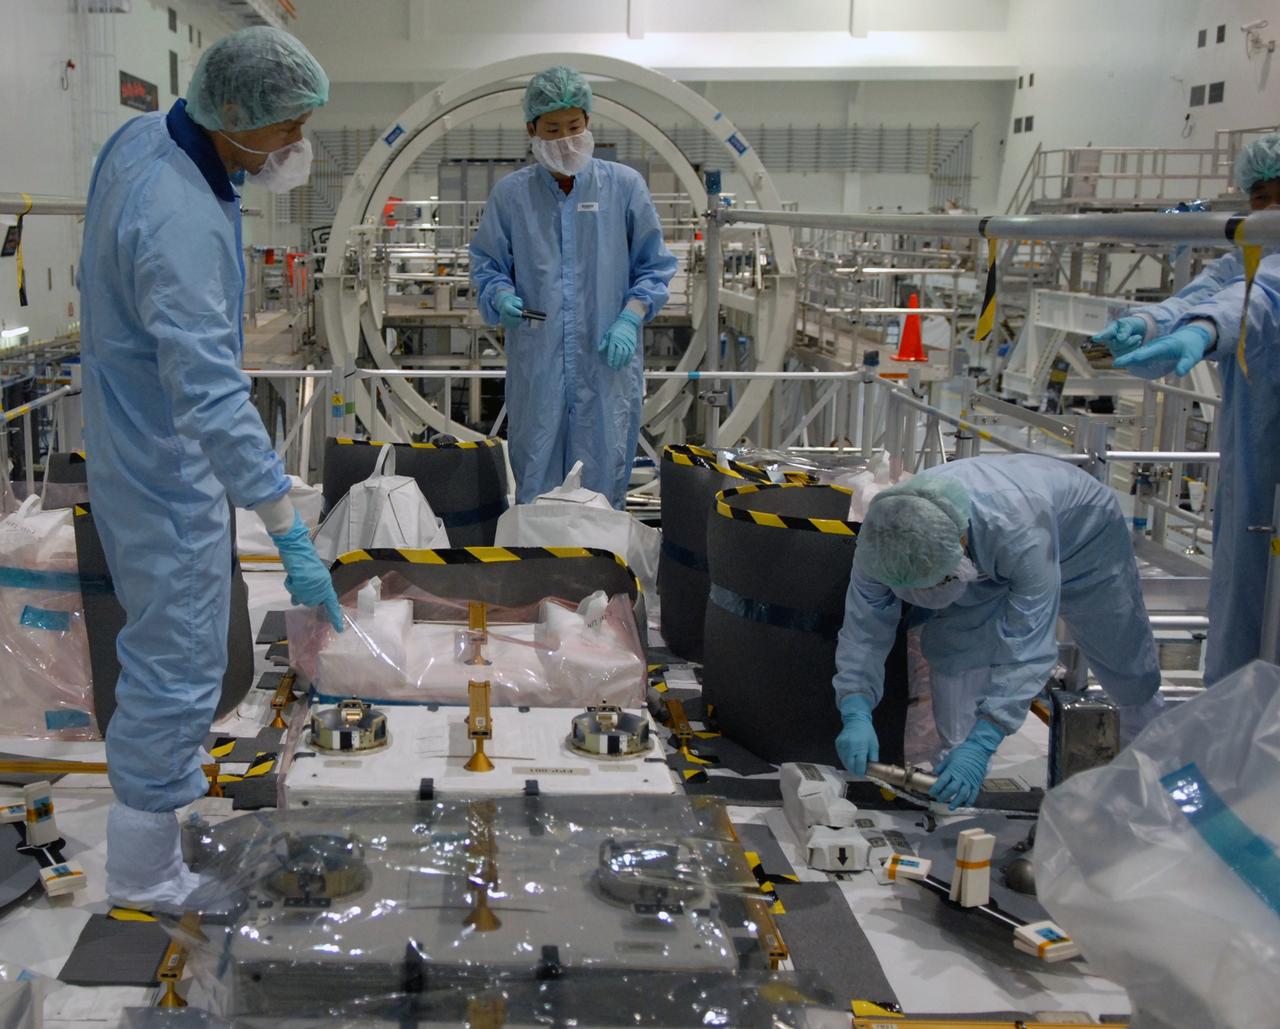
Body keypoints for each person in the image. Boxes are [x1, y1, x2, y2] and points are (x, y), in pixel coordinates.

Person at [78, 26, 339, 910]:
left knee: (167, 641)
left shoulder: (148, 138)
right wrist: (286, 523)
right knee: (177, 657)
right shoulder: (179, 216)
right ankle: (147, 873)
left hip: (131, 435)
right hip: (166, 461)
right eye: (289, 129)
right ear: (238, 116)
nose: (296, 147)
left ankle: (168, 819)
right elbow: (212, 395)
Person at [832, 456, 1164, 809]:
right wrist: (855, 706)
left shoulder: (1019, 531)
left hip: (1082, 529)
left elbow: (1029, 647)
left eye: (942, 580)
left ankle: (1154, 758)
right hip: (978, 548)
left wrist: (984, 742)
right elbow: (863, 629)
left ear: (960, 544)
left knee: (1119, 647)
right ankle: (953, 762)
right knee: (955, 644)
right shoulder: (881, 539)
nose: (927, 599)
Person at [1093, 133, 1280, 685]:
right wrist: (1150, 323)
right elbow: (1209, 291)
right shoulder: (1251, 254)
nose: (1270, 210)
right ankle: (1237, 737)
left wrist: (1205, 330)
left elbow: (1261, 299)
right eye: (1260, 198)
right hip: (1255, 472)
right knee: (1244, 599)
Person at [470, 65, 678, 509]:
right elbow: (487, 264)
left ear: (588, 123)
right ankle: (537, 574)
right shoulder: (511, 195)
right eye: (552, 128)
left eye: (574, 126)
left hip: (607, 365)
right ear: (531, 129)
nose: (565, 138)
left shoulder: (623, 187)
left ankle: (601, 572)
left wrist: (629, 318)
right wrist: (500, 296)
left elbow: (655, 266)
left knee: (602, 484)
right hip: (538, 366)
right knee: (537, 475)